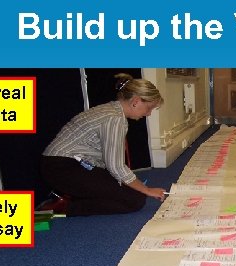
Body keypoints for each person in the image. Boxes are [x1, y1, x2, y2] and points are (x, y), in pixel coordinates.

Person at [38, 73, 167, 216]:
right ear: (136, 102)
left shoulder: (111, 110)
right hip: (63, 168)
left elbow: (111, 164)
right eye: (149, 108)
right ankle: (65, 207)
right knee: (135, 200)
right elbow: (116, 166)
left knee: (130, 188)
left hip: (64, 164)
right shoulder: (115, 119)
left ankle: (71, 195)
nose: (148, 114)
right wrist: (147, 190)